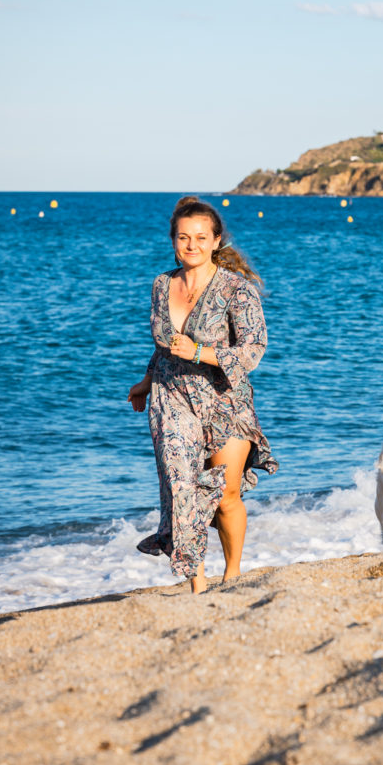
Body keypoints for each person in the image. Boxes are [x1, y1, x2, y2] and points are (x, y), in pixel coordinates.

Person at [128, 196, 277, 594]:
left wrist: (200, 352)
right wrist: (145, 380)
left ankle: (232, 574)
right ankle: (197, 583)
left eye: (200, 237)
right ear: (173, 241)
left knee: (227, 494)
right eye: (183, 237)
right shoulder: (162, 284)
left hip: (225, 399)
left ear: (216, 241)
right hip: (170, 396)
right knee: (182, 488)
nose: (191, 245)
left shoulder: (236, 289)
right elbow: (164, 345)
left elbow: (253, 350)